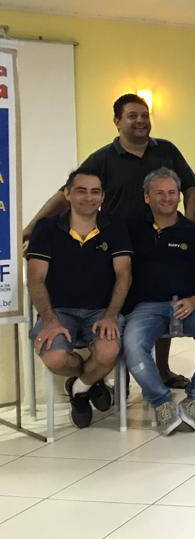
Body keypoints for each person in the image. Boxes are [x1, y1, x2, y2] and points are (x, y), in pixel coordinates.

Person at [24, 92, 195, 390]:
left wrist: (188, 226)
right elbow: (68, 192)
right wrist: (31, 227)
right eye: (132, 116)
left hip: (159, 242)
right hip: (117, 245)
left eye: (144, 115)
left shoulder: (167, 150)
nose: (140, 121)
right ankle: (119, 380)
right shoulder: (103, 157)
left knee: (160, 300)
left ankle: (162, 369)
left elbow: (191, 188)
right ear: (117, 121)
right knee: (126, 308)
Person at [26, 170, 133, 428]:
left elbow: (124, 275)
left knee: (108, 351)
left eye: (95, 192)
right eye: (81, 191)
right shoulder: (46, 228)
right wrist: (50, 321)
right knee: (55, 359)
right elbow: (35, 278)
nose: (89, 197)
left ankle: (79, 388)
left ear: (102, 197)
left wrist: (110, 316)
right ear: (67, 193)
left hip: (101, 311)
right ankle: (93, 382)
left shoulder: (115, 227)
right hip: (58, 312)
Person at [121, 168, 195, 435]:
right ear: (147, 197)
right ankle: (161, 402)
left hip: (193, 304)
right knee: (132, 344)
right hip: (147, 306)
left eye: (172, 192)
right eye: (159, 193)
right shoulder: (131, 230)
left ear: (179, 196)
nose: (167, 198)